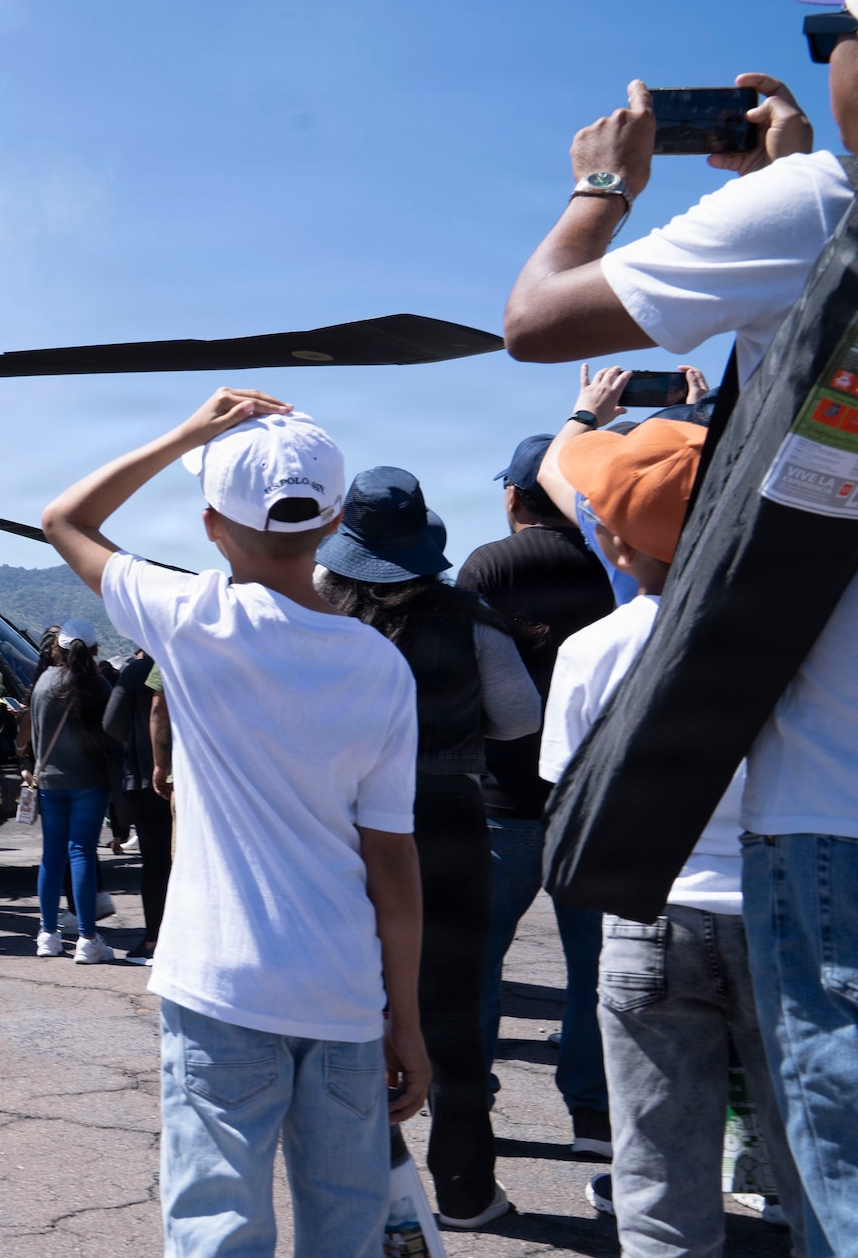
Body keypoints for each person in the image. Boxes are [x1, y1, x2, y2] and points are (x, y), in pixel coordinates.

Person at [505, 0, 858, 1247]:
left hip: (817, 824)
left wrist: (603, 186)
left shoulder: (823, 205)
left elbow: (531, 321)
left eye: (835, 36)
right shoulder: (825, 217)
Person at [42, 388, 428, 1257]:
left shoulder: (191, 617)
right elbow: (394, 869)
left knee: (219, 1227)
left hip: (222, 985)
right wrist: (403, 1017)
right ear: (334, 522)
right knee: (347, 1226)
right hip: (344, 995)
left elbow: (66, 517)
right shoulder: (381, 665)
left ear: (214, 525)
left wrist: (189, 430)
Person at [536, 420, 808, 1258]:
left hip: (650, 912)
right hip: (783, 908)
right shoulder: (798, 634)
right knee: (819, 1166)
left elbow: (564, 785)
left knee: (657, 1177)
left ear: (615, 546)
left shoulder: (593, 648)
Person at [316, 467, 541, 1229]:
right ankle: (464, 1187)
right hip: (448, 818)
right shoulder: (470, 616)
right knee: (454, 1010)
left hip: (345, 823)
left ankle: (361, 1185)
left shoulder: (322, 614)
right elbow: (516, 718)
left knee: (354, 1003)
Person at [456, 433, 618, 1158]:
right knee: (594, 967)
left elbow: (462, 678)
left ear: (515, 496)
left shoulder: (489, 565)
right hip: (596, 801)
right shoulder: (616, 560)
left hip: (501, 799)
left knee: (481, 958)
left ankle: (474, 1111)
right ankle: (592, 1114)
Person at [25, 619, 116, 964]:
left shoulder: (43, 682)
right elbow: (112, 730)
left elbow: (35, 736)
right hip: (89, 782)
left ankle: (48, 934)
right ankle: (87, 939)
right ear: (93, 649)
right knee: (82, 854)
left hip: (49, 781)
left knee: (52, 856)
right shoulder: (98, 685)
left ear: (57, 648)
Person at [105, 649, 171, 962]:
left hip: (143, 781)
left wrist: (133, 740)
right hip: (187, 779)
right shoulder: (183, 658)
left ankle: (153, 941)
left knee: (155, 864)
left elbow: (111, 723)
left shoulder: (134, 672)